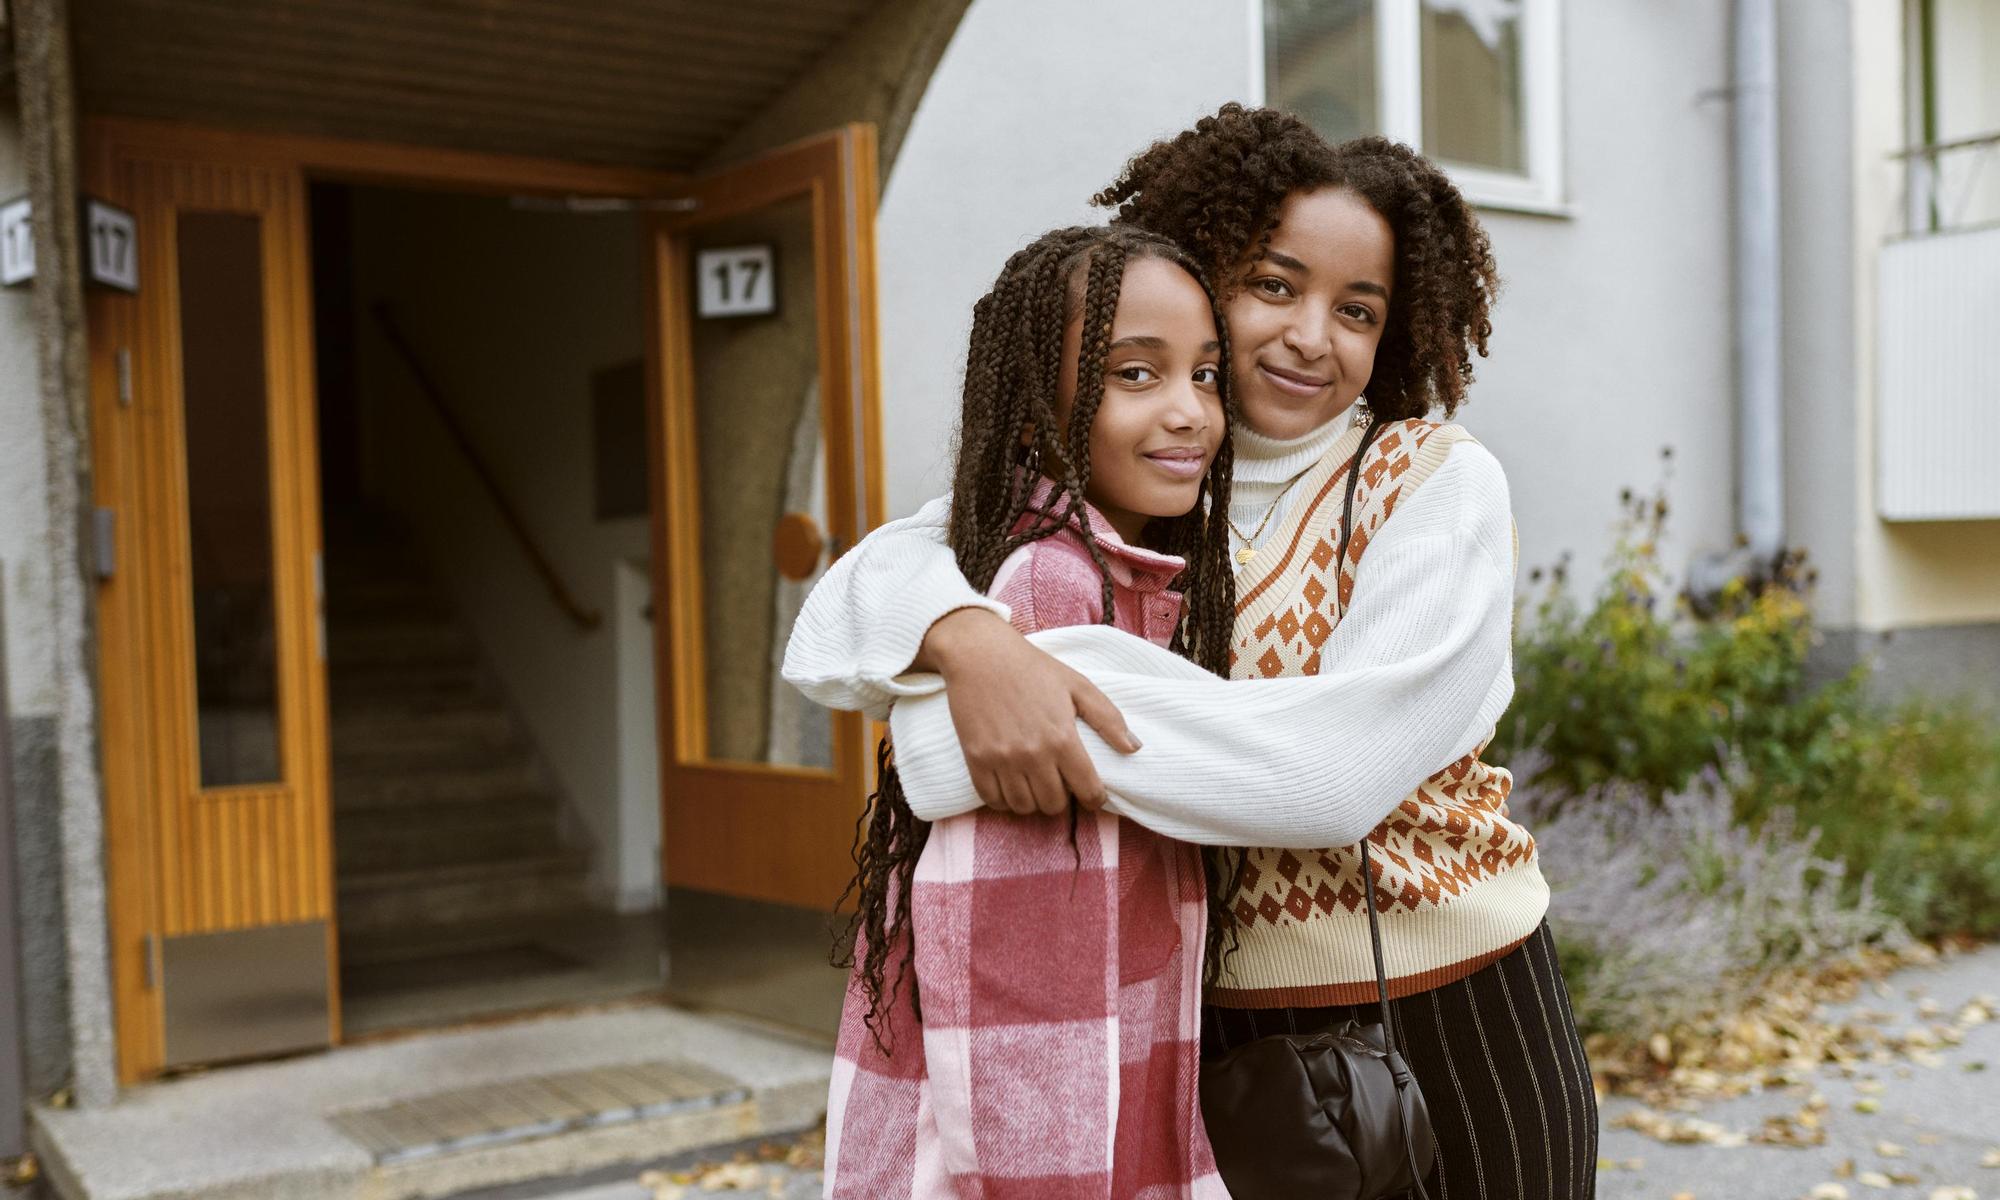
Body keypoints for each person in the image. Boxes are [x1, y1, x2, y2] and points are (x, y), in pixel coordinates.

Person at [789, 105, 1599, 1199]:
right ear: (1199, 274)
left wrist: (953, 733)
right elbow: (851, 599)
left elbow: (1327, 777)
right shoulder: (1149, 475)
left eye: (1355, 309)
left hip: (1451, 1012)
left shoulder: (1431, 481)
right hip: (1213, 1034)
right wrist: (969, 641)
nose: (1312, 334)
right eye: (1273, 285)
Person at [820, 223, 1237, 1199]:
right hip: (1038, 1139)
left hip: (1109, 1089)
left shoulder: (1134, 567)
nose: (1188, 412)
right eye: (1136, 375)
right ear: (1033, 406)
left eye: (1206, 376)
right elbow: (1011, 964)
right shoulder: (1048, 585)